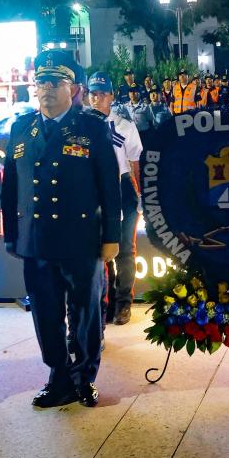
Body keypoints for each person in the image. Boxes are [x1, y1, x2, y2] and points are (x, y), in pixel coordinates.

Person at [2, 50, 120, 408]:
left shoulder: (92, 127)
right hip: (35, 239)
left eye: (56, 82)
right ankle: (58, 375)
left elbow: (109, 186)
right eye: (42, 82)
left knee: (84, 313)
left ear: (75, 89)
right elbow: (10, 188)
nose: (47, 89)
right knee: (44, 312)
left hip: (80, 239)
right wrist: (12, 235)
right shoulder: (22, 128)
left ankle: (84, 377)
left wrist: (111, 237)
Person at [87, 71, 143, 326]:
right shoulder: (81, 126)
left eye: (102, 94)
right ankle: (105, 303)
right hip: (93, 189)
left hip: (122, 186)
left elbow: (136, 162)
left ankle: (123, 303)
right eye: (93, 94)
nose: (97, 99)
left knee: (125, 249)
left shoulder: (124, 126)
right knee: (100, 250)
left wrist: (140, 194)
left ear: (111, 96)